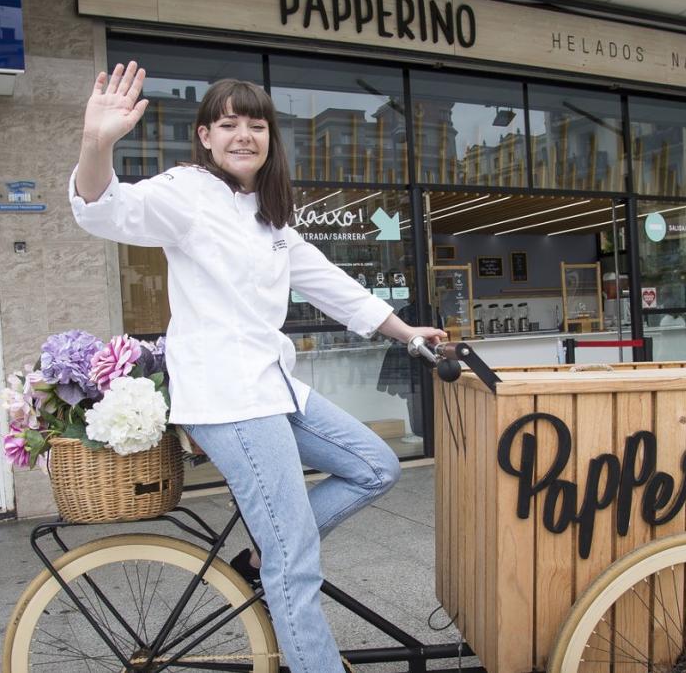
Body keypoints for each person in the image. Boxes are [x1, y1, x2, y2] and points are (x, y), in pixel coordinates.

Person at [70, 61, 447, 672]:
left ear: (271, 137)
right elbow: (103, 208)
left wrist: (406, 333)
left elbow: (329, 282)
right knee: (295, 563)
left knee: (374, 466)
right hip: (228, 397)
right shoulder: (187, 192)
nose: (243, 136)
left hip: (272, 387)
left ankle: (256, 562)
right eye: (228, 125)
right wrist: (97, 142)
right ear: (205, 136)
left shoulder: (268, 213)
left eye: (256, 125)